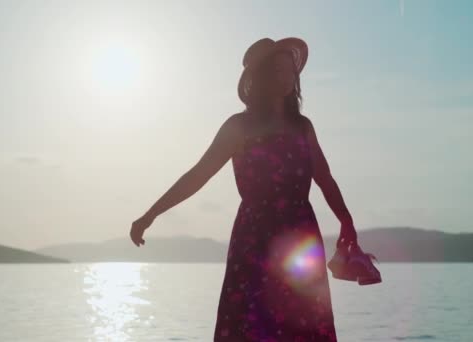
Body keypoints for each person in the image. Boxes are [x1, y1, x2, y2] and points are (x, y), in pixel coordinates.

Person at [130, 37, 357, 341]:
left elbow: (325, 178)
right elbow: (198, 175)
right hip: (255, 240)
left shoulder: (303, 127)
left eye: (290, 71)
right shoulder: (240, 126)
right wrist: (150, 215)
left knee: (303, 323)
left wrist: (346, 221)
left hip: (300, 236)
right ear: (261, 77)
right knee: (251, 324)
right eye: (277, 70)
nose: (287, 77)